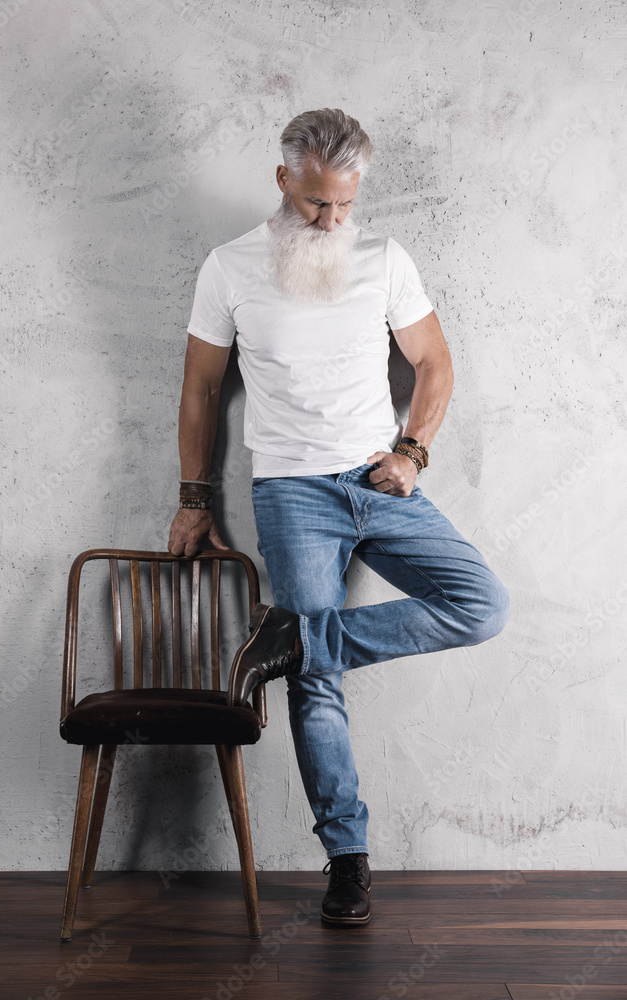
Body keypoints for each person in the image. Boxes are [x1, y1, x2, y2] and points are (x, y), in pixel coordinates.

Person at [168, 108, 510, 926]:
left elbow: (433, 363)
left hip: (378, 480)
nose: (331, 220)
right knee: (317, 690)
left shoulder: (383, 259)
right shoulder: (229, 267)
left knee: (482, 606)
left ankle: (292, 639)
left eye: (345, 205)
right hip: (290, 490)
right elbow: (202, 390)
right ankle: (347, 863)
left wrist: (412, 452)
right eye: (318, 202)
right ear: (284, 179)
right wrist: (193, 498)